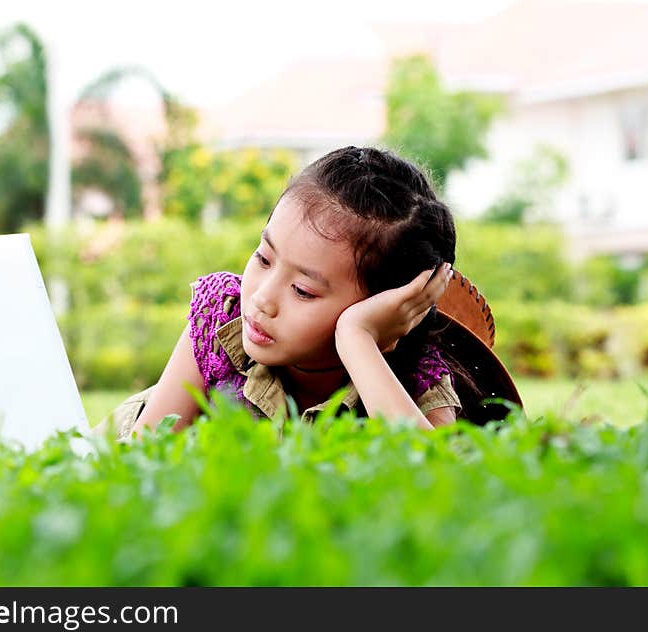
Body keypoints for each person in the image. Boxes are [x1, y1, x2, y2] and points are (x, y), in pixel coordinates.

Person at [115, 145, 491, 439]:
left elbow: (440, 484)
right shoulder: (221, 319)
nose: (262, 298)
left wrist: (357, 338)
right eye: (263, 258)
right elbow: (140, 460)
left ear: (388, 307)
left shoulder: (412, 377)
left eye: (302, 290)